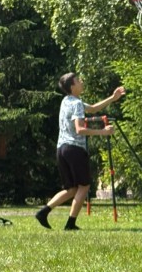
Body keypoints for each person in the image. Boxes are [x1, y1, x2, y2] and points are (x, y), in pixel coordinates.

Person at [35, 73, 125, 230]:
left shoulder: (66, 101)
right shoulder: (76, 104)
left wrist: (113, 97)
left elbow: (93, 108)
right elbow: (80, 129)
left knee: (71, 189)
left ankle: (43, 212)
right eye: (78, 80)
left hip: (61, 149)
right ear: (72, 86)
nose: (81, 81)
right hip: (75, 149)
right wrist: (103, 132)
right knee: (84, 186)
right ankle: (70, 224)